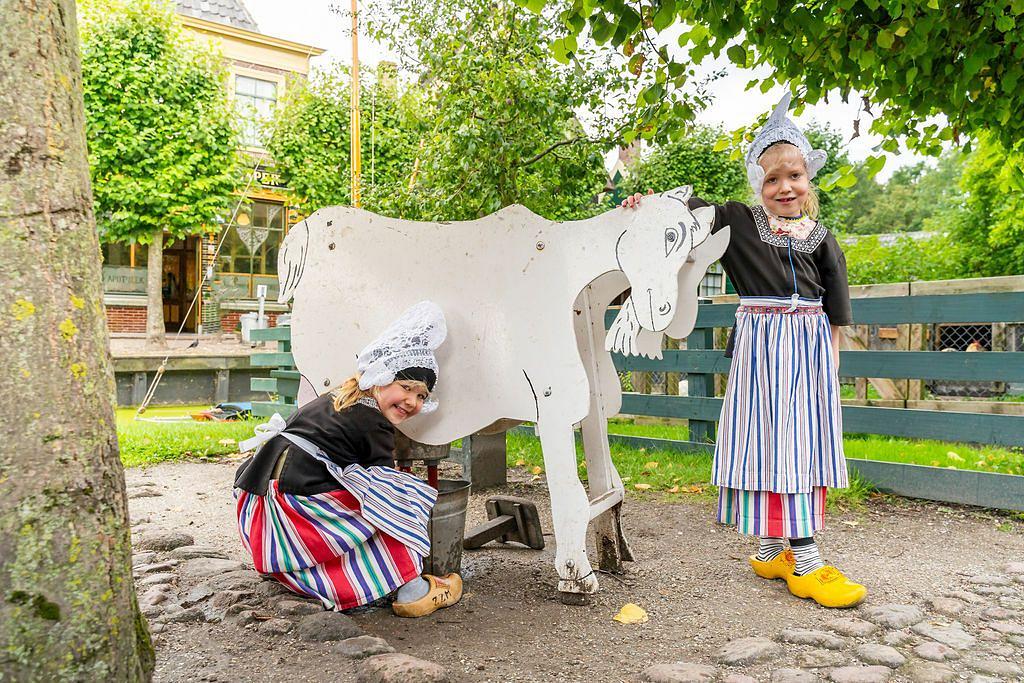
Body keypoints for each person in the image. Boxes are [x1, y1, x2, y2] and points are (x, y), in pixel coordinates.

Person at [621, 93, 866, 608]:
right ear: (758, 182)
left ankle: (784, 551)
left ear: (808, 178)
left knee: (800, 444)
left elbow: (836, 307)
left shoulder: (821, 237)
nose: (785, 187)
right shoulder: (739, 221)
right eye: (772, 178)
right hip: (762, 351)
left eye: (794, 176)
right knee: (771, 442)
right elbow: (686, 211)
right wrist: (646, 204)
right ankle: (796, 556)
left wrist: (830, 363)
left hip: (809, 352)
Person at [232, 301, 463, 617]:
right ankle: (412, 588)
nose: (412, 401)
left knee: (372, 493)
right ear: (381, 377)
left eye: (421, 396)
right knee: (399, 501)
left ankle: (300, 576)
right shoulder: (373, 421)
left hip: (267, 511)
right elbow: (384, 490)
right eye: (406, 388)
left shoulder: (337, 399)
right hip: (297, 511)